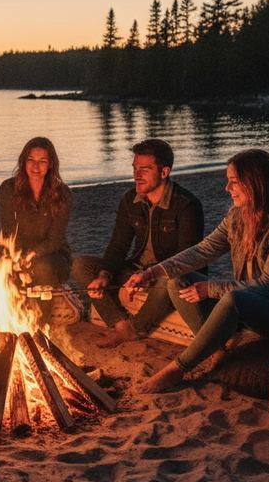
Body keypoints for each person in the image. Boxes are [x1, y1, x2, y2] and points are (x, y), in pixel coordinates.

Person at [128, 148, 269, 393]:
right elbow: (203, 250)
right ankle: (218, 350)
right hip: (254, 305)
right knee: (178, 281)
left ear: (255, 184)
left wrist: (210, 289)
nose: (226, 188)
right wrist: (152, 272)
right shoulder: (238, 216)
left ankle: (177, 369)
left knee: (232, 298)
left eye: (233, 182)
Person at [71, 139, 204, 347]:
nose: (136, 175)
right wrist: (105, 276)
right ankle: (122, 325)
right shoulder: (129, 200)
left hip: (167, 275)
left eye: (145, 169)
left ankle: (136, 329)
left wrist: (149, 276)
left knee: (171, 280)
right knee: (80, 265)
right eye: (135, 168)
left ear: (164, 172)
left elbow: (186, 260)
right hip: (136, 270)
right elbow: (118, 246)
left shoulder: (187, 205)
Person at [0, 137, 71, 319]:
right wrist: (17, 256)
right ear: (23, 161)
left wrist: (30, 256)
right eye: (31, 159)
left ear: (51, 165)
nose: (35, 167)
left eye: (42, 161)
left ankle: (42, 322)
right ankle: (6, 318)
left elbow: (55, 239)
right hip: (19, 252)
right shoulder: (8, 188)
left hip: (53, 256)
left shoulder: (62, 193)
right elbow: (8, 230)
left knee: (42, 267)